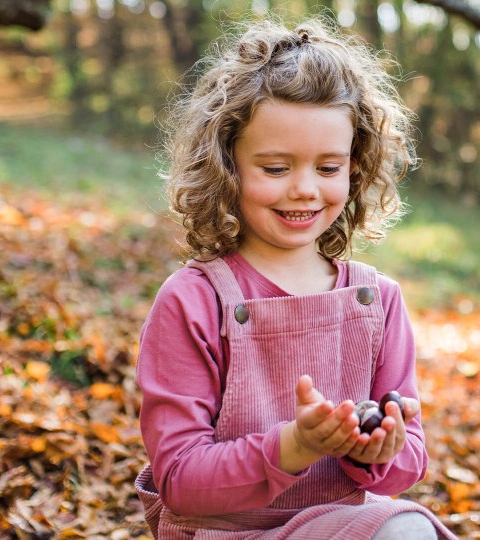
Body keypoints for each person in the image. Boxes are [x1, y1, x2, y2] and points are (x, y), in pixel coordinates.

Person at [134, 16, 457, 540]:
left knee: (405, 530)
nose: (306, 190)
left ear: (356, 167)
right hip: (226, 533)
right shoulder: (194, 301)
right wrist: (296, 447)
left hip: (338, 525)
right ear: (227, 165)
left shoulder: (377, 301)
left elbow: (407, 466)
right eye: (277, 168)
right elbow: (179, 478)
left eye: (328, 168)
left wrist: (375, 447)